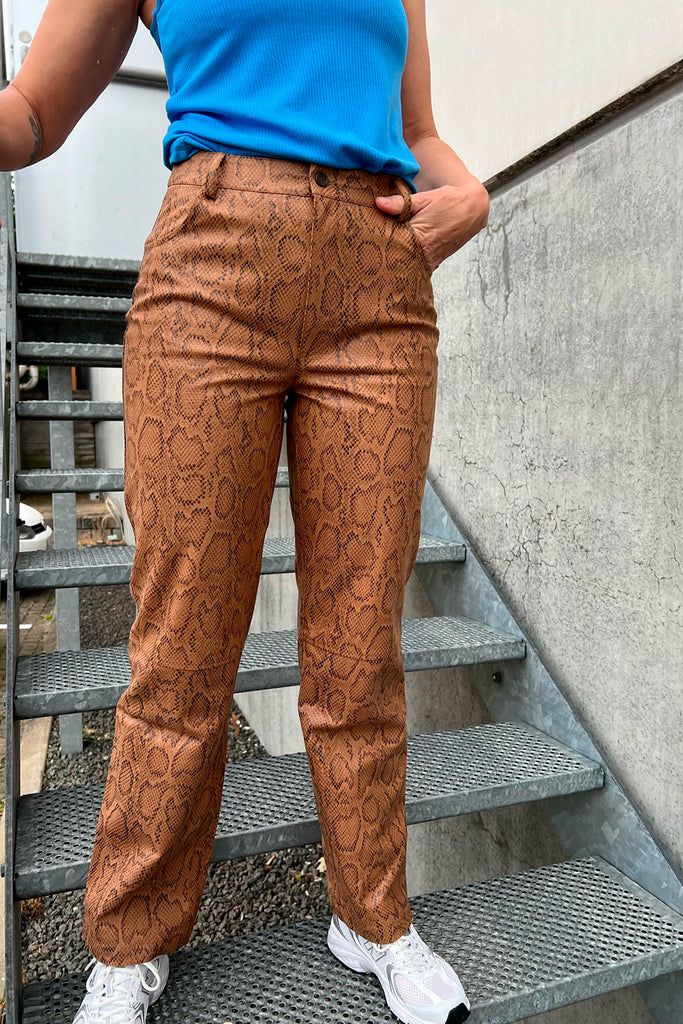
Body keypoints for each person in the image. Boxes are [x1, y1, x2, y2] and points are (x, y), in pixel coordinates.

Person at [0, 1, 490, 1022]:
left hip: (379, 296)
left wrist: (470, 196)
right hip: (208, 273)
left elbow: (416, 133)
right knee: (181, 643)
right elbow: (33, 113)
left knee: (360, 642)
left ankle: (372, 919)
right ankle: (131, 940)